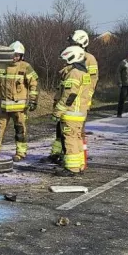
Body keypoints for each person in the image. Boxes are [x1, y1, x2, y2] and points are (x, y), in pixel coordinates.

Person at [0, 41, 39, 161]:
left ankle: (21, 152)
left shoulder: (26, 67)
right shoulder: (1, 66)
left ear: (21, 56)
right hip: (3, 106)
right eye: (13, 54)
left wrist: (33, 100)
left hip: (19, 107)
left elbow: (34, 85)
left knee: (20, 129)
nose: (14, 57)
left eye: (17, 55)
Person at [52, 46, 90, 176]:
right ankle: (79, 165)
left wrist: (58, 111)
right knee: (77, 137)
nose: (64, 62)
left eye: (66, 60)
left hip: (71, 113)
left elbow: (69, 95)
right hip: (80, 112)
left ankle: (72, 168)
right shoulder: (83, 73)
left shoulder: (74, 73)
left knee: (70, 138)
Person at [70, 30, 98, 159]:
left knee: (78, 130)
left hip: (81, 100)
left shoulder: (89, 59)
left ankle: (81, 155)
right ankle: (61, 153)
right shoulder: (71, 55)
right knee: (65, 129)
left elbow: (92, 81)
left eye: (74, 43)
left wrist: (87, 99)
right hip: (69, 100)